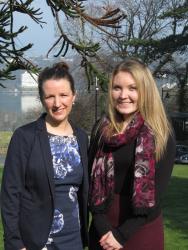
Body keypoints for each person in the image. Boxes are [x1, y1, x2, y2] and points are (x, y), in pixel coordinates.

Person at [88, 58, 176, 250]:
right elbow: (90, 183)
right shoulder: (101, 130)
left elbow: (156, 193)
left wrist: (121, 236)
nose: (123, 95)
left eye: (132, 88)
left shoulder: (161, 133)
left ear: (145, 91)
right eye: (117, 88)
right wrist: (103, 229)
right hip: (101, 229)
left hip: (141, 230)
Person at [1, 62, 89, 250]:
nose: (58, 103)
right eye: (50, 97)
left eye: (64, 95)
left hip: (74, 241)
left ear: (74, 96)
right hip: (36, 242)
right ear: (42, 100)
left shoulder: (81, 138)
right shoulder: (25, 137)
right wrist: (15, 243)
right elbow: (10, 195)